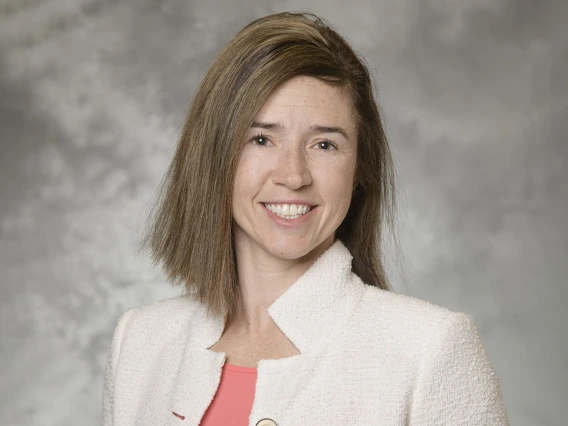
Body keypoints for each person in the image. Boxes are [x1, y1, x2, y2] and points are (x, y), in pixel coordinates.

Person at [102, 12, 509, 426]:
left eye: (324, 144)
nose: (293, 175)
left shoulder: (428, 350)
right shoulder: (140, 341)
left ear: (359, 171)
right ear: (214, 156)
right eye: (261, 139)